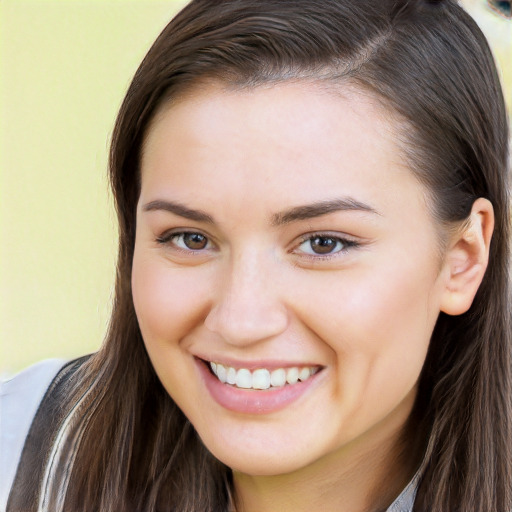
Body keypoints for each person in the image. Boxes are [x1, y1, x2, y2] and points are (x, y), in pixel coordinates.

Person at [1, 0, 510, 511]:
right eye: (190, 238)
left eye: (323, 243)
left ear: (462, 258)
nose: (240, 321)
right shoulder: (16, 450)